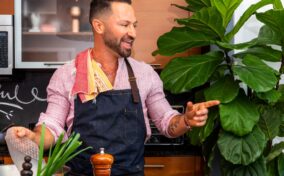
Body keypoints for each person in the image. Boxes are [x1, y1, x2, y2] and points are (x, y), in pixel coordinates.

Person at [10, 0, 220, 175]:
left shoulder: (144, 74)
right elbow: (53, 128)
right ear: (99, 26)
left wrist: (185, 120)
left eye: (134, 25)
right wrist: (33, 138)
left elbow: (167, 123)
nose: (133, 33)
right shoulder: (67, 75)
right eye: (124, 24)